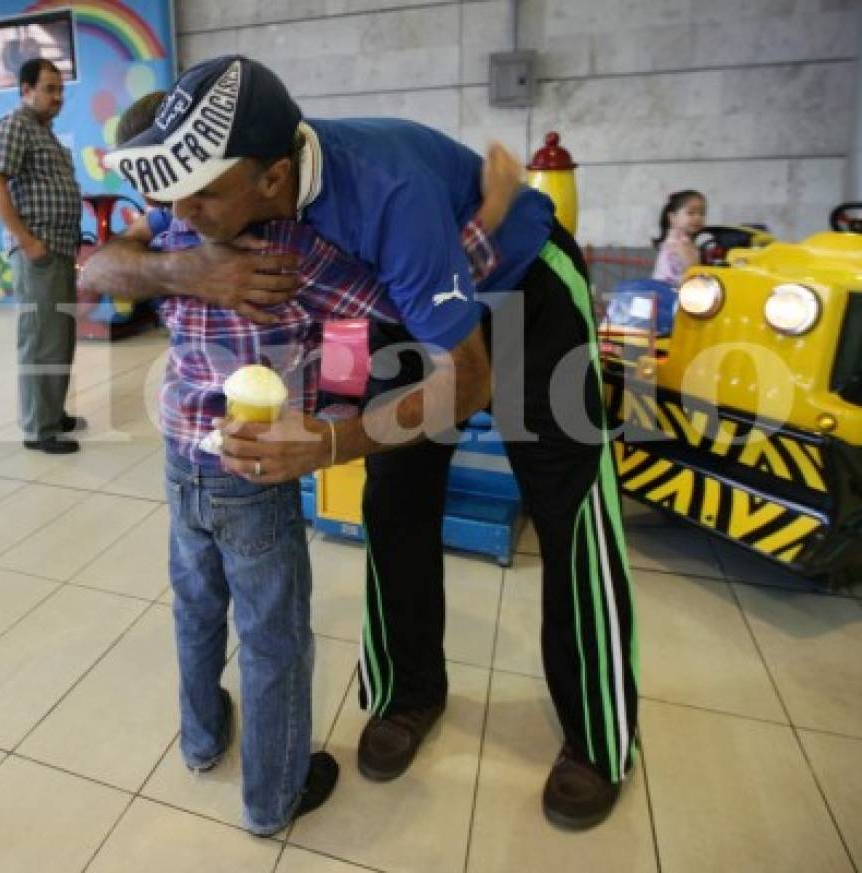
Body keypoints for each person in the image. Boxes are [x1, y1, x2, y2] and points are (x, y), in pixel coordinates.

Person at [87, 55, 638, 831]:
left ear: (273, 179)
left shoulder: (389, 193)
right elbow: (104, 264)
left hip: (522, 295)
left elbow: (468, 377)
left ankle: (596, 735)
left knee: (566, 510)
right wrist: (188, 270)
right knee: (396, 501)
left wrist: (331, 443)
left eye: (200, 193)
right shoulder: (217, 205)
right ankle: (409, 691)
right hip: (415, 301)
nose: (182, 207)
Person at [0, 58, 85, 455]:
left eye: (60, 90)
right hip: (38, 251)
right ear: (25, 90)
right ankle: (38, 429)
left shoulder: (46, 134)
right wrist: (27, 241)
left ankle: (53, 413)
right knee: (41, 339)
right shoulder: (15, 126)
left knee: (59, 337)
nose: (57, 97)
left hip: (58, 248)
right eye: (49, 88)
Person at [651, 189, 706, 285]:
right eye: (691, 213)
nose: (698, 218)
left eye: (702, 213)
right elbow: (693, 268)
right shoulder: (679, 240)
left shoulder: (679, 238)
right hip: (669, 292)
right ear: (673, 218)